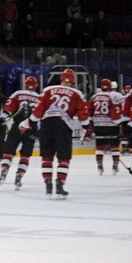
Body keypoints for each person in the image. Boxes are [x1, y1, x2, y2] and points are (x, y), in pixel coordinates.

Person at [22, 68, 90, 198]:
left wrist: (30, 122)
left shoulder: (48, 90)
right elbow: (83, 113)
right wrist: (87, 127)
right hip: (63, 125)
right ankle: (60, 183)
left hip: (46, 124)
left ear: (61, 78)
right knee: (64, 158)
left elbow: (38, 110)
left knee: (47, 157)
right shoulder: (77, 93)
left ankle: (48, 182)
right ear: (73, 81)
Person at [0, 75, 41, 188]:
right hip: (32, 130)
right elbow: (42, 115)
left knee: (8, 152)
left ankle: (4, 170)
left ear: (25, 84)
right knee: (25, 155)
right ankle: (19, 175)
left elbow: (8, 109)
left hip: (17, 127)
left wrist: (2, 119)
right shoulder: (40, 97)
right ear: (36, 85)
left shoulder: (18, 94)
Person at [89, 79, 124, 175]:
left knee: (99, 147)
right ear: (110, 87)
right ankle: (115, 165)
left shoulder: (94, 97)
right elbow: (116, 111)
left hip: (98, 125)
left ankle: (99, 165)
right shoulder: (112, 96)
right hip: (111, 126)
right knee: (115, 147)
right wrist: (119, 122)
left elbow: (89, 111)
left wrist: (91, 123)